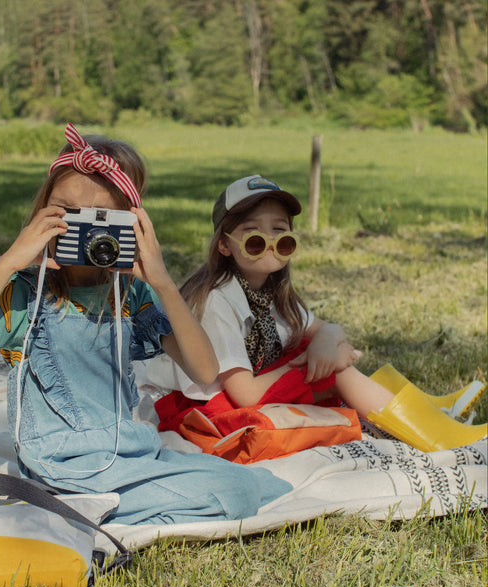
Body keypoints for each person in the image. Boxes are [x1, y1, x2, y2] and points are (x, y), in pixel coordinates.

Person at [0, 127, 292, 525]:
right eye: (66, 213)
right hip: (62, 464)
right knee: (238, 492)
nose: (81, 231)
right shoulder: (25, 296)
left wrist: (162, 281)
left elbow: (205, 371)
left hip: (126, 452)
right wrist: (7, 264)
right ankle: (90, 508)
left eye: (99, 219)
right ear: (41, 213)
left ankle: (110, 506)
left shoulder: (129, 293)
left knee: (249, 481)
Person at [147, 174, 486, 453]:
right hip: (210, 409)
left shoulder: (270, 291)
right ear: (224, 245)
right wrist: (316, 358)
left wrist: (323, 343)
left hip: (243, 392)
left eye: (280, 230)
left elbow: (329, 328)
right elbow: (244, 394)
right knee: (332, 371)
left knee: (331, 360)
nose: (269, 239)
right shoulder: (218, 301)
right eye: (253, 234)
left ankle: (428, 413)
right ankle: (438, 436)